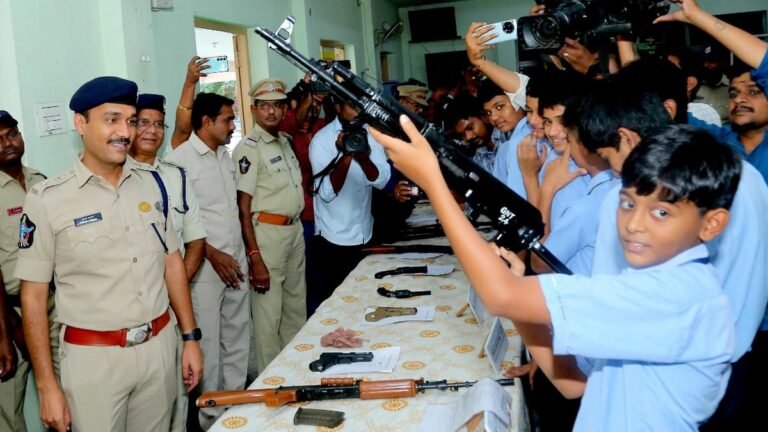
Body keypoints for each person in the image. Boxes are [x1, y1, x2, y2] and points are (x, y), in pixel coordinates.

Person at [373, 119, 738, 431]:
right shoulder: (656, 284)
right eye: (627, 203)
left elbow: (500, 296)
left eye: (661, 213)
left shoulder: (675, 297)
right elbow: (573, 384)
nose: (634, 225)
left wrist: (435, 185)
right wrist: (518, 293)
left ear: (712, 224)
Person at [16, 76, 203, 432]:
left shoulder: (151, 183)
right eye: (112, 119)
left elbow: (172, 263)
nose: (125, 132)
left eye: (130, 121)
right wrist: (46, 385)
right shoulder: (48, 199)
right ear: (81, 124)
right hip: (93, 362)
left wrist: (190, 338)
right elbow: (34, 296)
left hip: (158, 349)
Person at [655, 0, 768, 427]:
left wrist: (696, 17)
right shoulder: (718, 147)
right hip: (730, 320)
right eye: (734, 93)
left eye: (754, 91)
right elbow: (659, 111)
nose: (739, 99)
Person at [165, 92, 250, 429]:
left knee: (238, 336)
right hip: (205, 268)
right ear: (205, 122)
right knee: (210, 346)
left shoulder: (224, 156)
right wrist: (213, 255)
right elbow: (178, 226)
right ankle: (212, 417)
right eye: (228, 119)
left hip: (235, 260)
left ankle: (237, 406)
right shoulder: (180, 161)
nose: (233, 126)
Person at [130, 93, 207, 432]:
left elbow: (196, 239)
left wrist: (176, 289)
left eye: (158, 124)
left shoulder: (176, 175)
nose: (152, 131)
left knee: (180, 393)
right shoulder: (118, 179)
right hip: (137, 309)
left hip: (176, 305)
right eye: (143, 123)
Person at [233, 79, 306, 375]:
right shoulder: (249, 149)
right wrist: (254, 255)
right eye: (265, 106)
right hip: (267, 235)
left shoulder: (284, 141)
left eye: (277, 105)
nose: (272, 112)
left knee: (295, 308)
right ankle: (271, 381)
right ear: (253, 110)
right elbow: (242, 207)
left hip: (294, 231)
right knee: (268, 316)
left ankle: (296, 370)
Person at [307, 98, 391, 315]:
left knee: (365, 299)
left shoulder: (372, 135)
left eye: (360, 105)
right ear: (337, 107)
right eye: (352, 105)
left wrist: (363, 158)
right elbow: (325, 193)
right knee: (336, 306)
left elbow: (381, 182)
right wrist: (345, 154)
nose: (358, 110)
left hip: (364, 230)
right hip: (332, 236)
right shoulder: (322, 140)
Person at [0, 110, 52, 432]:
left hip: (53, 306)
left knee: (68, 394)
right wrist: (6, 331)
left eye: (11, 133)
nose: (7, 143)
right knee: (8, 409)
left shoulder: (42, 183)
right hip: (8, 311)